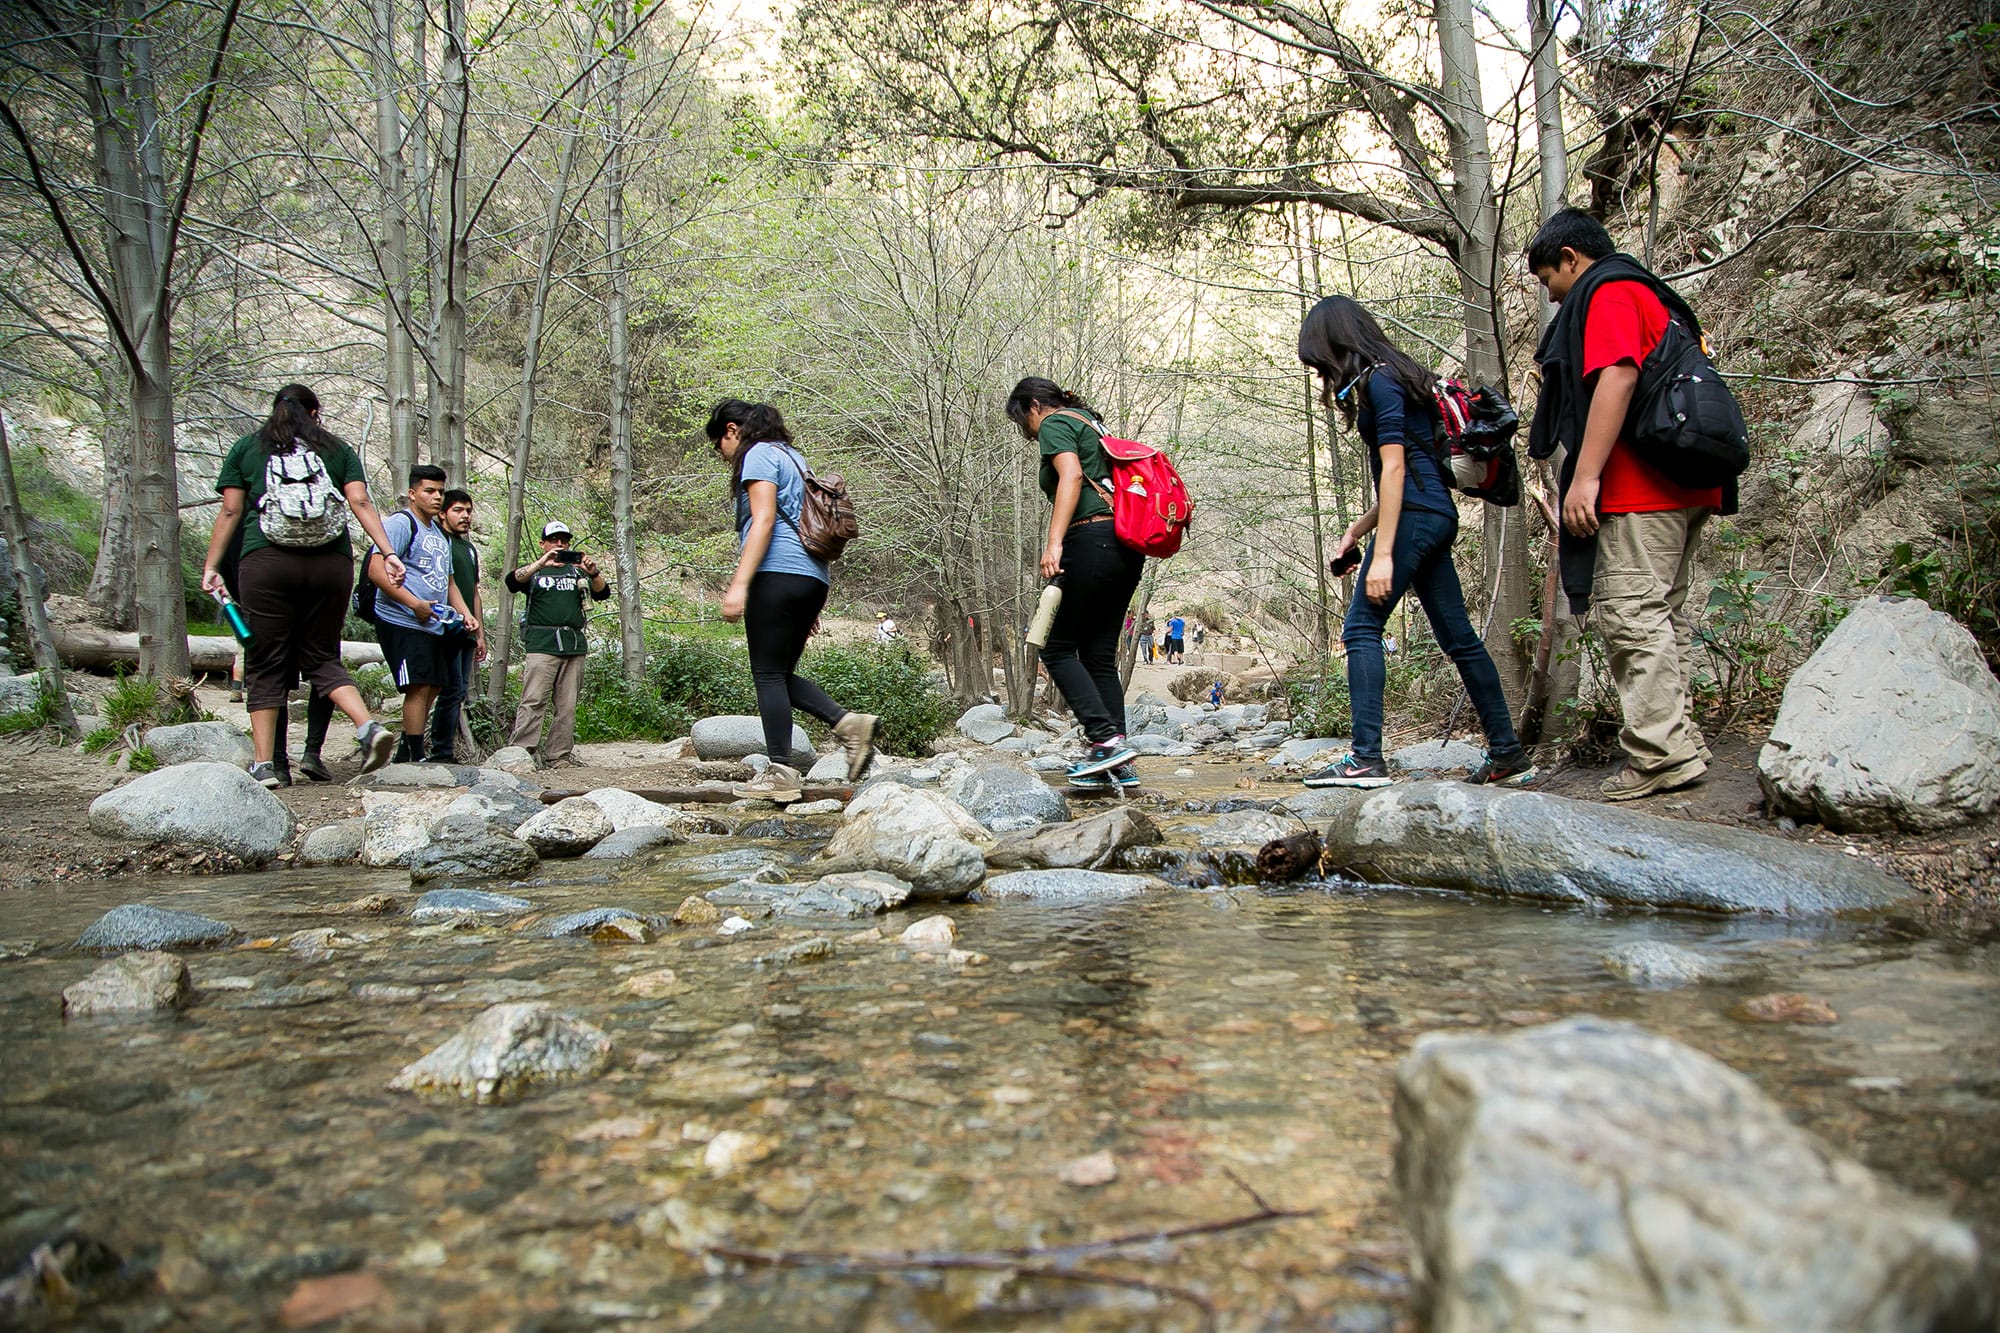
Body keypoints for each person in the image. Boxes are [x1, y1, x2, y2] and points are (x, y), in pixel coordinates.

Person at [1295, 295, 1536, 789]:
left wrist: (1382, 554)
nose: (1323, 376)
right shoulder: (1401, 375)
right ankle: (1507, 754)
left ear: (1335, 344)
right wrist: (1357, 531)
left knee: (1362, 628)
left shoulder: (1379, 382)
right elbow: (1411, 471)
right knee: (1460, 639)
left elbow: (1397, 469)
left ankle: (1365, 759)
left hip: (1414, 517)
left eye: (1321, 364)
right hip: (1434, 514)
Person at [1528, 207, 1720, 800]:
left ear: (1571, 259)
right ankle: (1679, 738)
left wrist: (1585, 478)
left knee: (1631, 614)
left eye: (1548, 280)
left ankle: (1660, 755)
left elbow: (1617, 376)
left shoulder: (1607, 290)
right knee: (1665, 615)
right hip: (1686, 483)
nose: (1552, 296)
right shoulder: (1655, 295)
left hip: (1640, 488)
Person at [201, 384, 402, 786]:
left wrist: (212, 565)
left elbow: (230, 510)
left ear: (276, 411)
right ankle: (366, 727)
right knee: (322, 656)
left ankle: (265, 765)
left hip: (267, 562)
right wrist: (387, 552)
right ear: (315, 413)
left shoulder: (247, 448)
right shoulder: (337, 449)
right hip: (330, 563)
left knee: (265, 660)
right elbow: (360, 502)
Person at [706, 399, 879, 800]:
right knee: (780, 675)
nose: (723, 455)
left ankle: (781, 772)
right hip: (811, 579)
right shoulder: (795, 458)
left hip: (776, 573)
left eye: (719, 445)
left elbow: (765, 520)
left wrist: (739, 584)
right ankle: (848, 724)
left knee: (767, 674)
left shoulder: (758, 455)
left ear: (732, 430)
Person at [1006, 376, 1143, 790]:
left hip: (1091, 539)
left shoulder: (1054, 423)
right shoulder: (1091, 423)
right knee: (1098, 653)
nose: (1027, 433)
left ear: (1033, 406)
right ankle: (1118, 761)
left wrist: (1054, 543)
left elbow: (1071, 477)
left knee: (1056, 647)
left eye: (1021, 422)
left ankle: (1103, 740)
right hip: (1125, 548)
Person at [214, 510, 338, 781]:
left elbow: (226, 564)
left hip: (263, 605)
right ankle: (312, 753)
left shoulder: (241, 518)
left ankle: (277, 762)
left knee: (272, 676)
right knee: (325, 670)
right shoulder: (309, 509)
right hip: (315, 604)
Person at [370, 465, 477, 763]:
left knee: (434, 685)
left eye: (440, 492)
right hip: (402, 617)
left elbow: (449, 582)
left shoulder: (440, 536)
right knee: (418, 686)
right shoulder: (401, 524)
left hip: (434, 621)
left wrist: (466, 614)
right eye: (430, 491)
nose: (436, 497)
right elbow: (375, 570)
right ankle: (417, 756)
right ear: (413, 493)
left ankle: (407, 750)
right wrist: (413, 603)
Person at [504, 520, 609, 770]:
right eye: (553, 540)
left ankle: (559, 756)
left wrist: (593, 572)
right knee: (533, 699)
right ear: (543, 544)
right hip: (541, 644)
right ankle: (521, 753)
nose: (559, 544)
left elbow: (603, 593)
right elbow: (512, 582)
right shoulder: (535, 572)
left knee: (566, 705)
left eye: (564, 540)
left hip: (573, 644)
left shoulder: (577, 571)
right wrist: (541, 563)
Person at [424, 488, 486, 764]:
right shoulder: (438, 541)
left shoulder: (469, 549)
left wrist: (480, 635)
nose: (465, 516)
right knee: (438, 687)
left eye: (468, 511)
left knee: (457, 689)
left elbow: (473, 593)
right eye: (458, 510)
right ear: (442, 513)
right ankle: (436, 750)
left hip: (466, 628)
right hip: (441, 625)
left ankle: (442, 750)